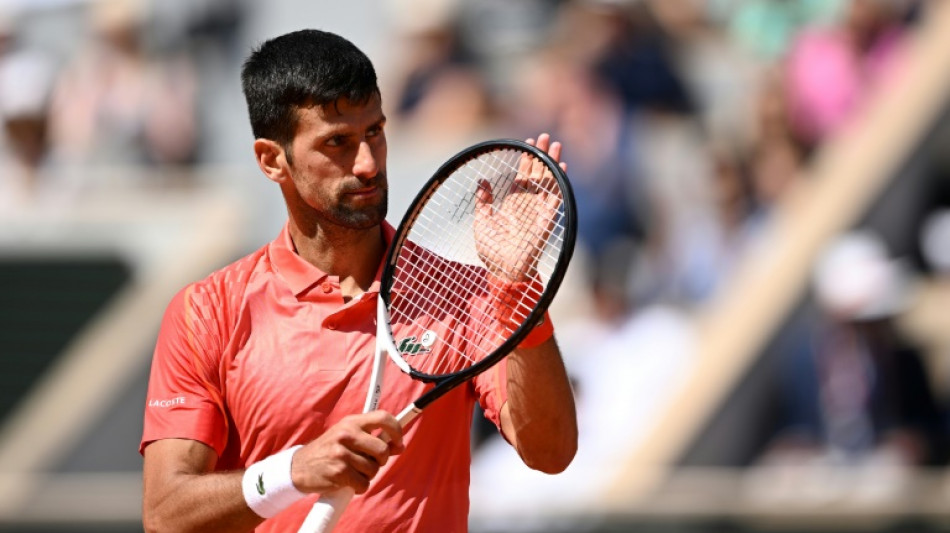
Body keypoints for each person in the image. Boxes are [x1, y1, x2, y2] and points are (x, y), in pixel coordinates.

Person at [139, 29, 577, 533]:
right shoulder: (205, 311)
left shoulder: (471, 293)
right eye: (337, 143)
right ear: (271, 160)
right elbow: (166, 514)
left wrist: (519, 291)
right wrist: (294, 471)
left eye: (374, 132)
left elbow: (551, 451)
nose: (368, 164)